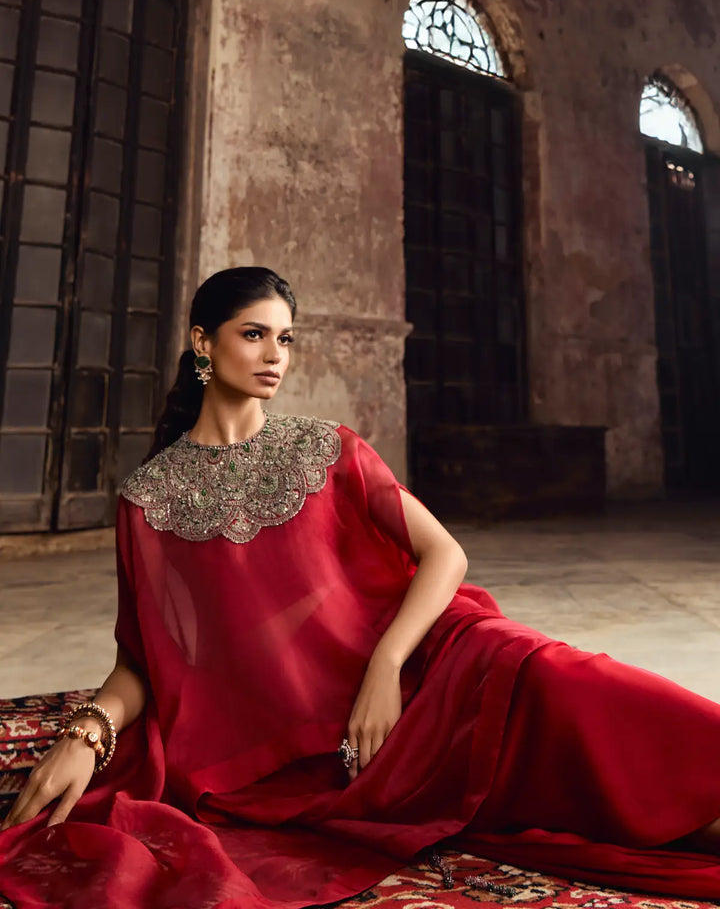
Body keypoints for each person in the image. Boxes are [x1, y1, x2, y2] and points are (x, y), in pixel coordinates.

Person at [1, 265, 720, 909]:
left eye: (285, 339)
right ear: (202, 342)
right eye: (254, 335)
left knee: (586, 694)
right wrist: (88, 734)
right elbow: (142, 659)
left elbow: (444, 555)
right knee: (594, 807)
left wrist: (385, 665)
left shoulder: (329, 448)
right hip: (326, 757)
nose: (275, 356)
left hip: (439, 669)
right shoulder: (147, 500)